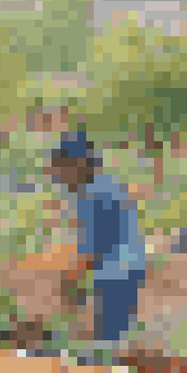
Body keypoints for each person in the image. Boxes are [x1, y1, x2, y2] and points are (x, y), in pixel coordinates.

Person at [46, 131, 147, 356]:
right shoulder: (102, 186)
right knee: (113, 330)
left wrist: (72, 279)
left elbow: (95, 246)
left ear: (80, 164)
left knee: (110, 335)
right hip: (123, 268)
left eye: (63, 170)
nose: (60, 177)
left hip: (118, 271)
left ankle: (107, 370)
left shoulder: (93, 194)